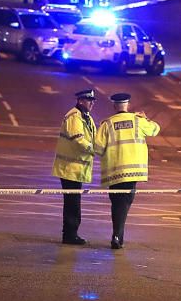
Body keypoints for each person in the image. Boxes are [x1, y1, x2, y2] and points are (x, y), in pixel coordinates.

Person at [93, 93, 160, 249]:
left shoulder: (107, 124)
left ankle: (117, 236)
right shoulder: (137, 121)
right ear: (128, 105)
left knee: (117, 203)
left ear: (114, 106)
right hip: (132, 171)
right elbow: (155, 129)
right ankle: (117, 237)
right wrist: (146, 118)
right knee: (124, 203)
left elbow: (97, 148)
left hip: (114, 171)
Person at [52, 89, 97, 245]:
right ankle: (70, 235)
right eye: (89, 100)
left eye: (93, 101)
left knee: (73, 202)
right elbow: (78, 139)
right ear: (80, 101)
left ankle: (71, 234)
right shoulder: (74, 117)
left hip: (75, 168)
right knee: (72, 203)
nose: (92, 103)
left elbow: (93, 137)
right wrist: (94, 149)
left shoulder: (86, 118)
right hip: (69, 167)